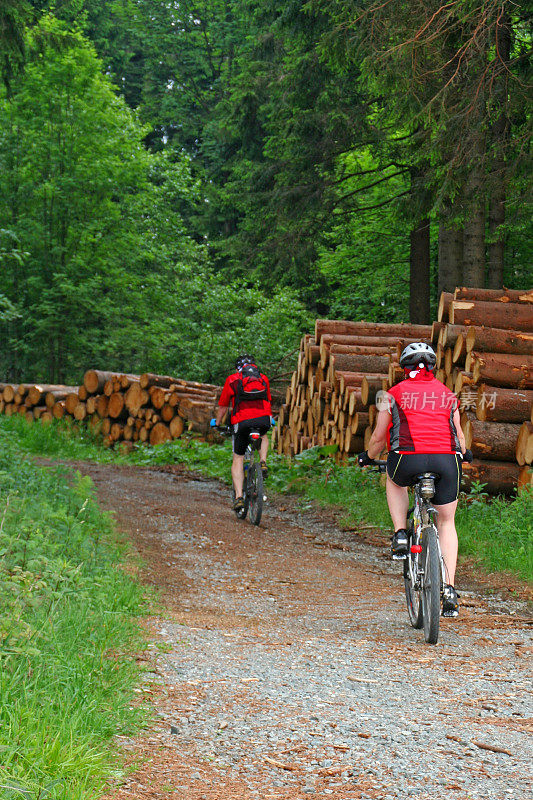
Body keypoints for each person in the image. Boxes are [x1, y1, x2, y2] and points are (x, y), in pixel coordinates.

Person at [358, 342, 472, 617]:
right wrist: (465, 454)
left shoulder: (393, 394)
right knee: (446, 521)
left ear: (404, 368)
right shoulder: (448, 395)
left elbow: (378, 437)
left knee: (394, 480)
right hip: (447, 461)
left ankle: (399, 534)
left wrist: (368, 456)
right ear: (432, 367)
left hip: (408, 459)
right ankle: (449, 589)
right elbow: (459, 434)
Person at [212, 355, 273, 514]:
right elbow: (268, 401)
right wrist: (268, 419)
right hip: (263, 419)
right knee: (263, 435)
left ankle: (239, 497)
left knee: (238, 457)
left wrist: (217, 424)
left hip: (242, 421)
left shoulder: (233, 379)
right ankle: (263, 461)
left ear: (237, 368)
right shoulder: (263, 378)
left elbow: (223, 407)